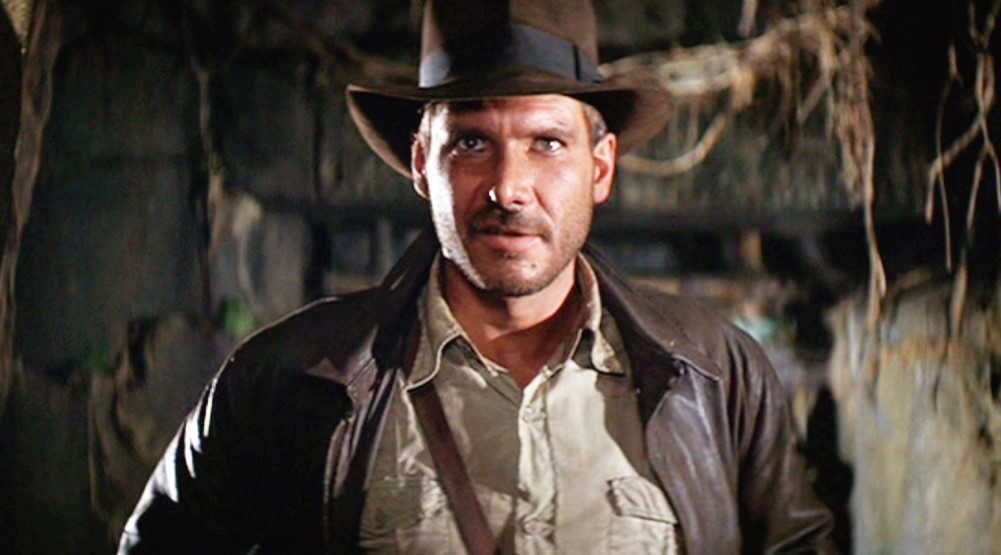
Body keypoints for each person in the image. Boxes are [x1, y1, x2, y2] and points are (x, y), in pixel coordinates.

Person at [119, 0, 836, 553]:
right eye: (470, 142)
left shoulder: (716, 375)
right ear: (420, 164)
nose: (508, 188)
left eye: (546, 143)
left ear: (600, 167)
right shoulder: (289, 380)